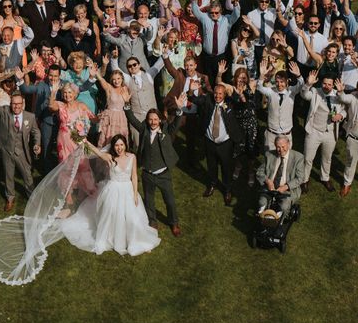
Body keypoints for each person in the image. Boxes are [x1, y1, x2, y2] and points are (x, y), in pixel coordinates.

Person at [61, 134, 161, 255]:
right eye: (117, 145)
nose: (119, 148)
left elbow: (134, 176)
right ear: (113, 147)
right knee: (112, 215)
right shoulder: (109, 157)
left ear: (125, 145)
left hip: (128, 190)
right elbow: (94, 150)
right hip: (113, 190)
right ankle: (112, 238)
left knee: (132, 218)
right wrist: (83, 140)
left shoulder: (132, 157)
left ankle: (137, 240)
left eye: (121, 145)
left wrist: (135, 194)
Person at [126, 107, 183, 236]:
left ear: (160, 120)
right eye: (150, 119)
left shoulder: (166, 130)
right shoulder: (144, 129)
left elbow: (176, 124)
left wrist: (179, 110)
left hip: (163, 174)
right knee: (149, 199)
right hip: (147, 174)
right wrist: (127, 105)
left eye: (155, 119)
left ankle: (174, 223)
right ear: (147, 120)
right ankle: (152, 221)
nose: (153, 122)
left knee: (169, 200)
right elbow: (132, 120)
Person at [0, 91, 41, 211]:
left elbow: (36, 131)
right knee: (8, 175)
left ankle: (31, 196)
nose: (16, 106)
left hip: (22, 151)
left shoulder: (30, 117)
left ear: (23, 104)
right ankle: (10, 198)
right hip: (7, 150)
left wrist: (37, 143)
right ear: (10, 104)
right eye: (14, 104)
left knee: (27, 175)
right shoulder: (5, 112)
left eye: (18, 104)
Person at [192, 84, 244, 205]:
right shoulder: (208, 100)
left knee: (226, 168)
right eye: (216, 93)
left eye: (220, 93)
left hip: (225, 144)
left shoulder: (230, 103)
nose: (217, 96)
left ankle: (227, 190)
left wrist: (240, 94)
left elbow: (242, 106)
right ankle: (212, 185)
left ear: (224, 95)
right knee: (211, 166)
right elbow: (194, 99)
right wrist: (191, 90)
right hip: (209, 141)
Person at [300, 71, 344, 193]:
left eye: (329, 84)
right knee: (308, 158)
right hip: (314, 131)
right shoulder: (315, 92)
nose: (326, 86)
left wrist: (340, 115)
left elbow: (346, 109)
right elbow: (304, 95)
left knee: (327, 158)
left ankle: (325, 178)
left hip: (330, 133)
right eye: (324, 83)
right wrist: (308, 84)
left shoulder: (338, 95)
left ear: (333, 85)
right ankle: (304, 180)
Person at [256, 135, 305, 217]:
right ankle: (263, 219)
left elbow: (300, 178)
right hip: (270, 188)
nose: (281, 150)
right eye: (278, 147)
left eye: (283, 146)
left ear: (288, 144)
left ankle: (280, 221)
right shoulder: (269, 155)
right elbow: (259, 172)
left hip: (287, 189)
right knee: (262, 203)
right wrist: (267, 181)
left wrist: (285, 187)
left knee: (284, 207)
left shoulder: (298, 158)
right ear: (275, 146)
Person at [94, 57, 131, 147]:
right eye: (114, 79)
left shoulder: (125, 89)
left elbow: (128, 107)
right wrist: (105, 64)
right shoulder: (109, 88)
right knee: (107, 139)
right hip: (110, 117)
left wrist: (126, 101)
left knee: (120, 140)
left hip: (121, 118)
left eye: (118, 78)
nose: (116, 81)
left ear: (122, 79)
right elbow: (100, 78)